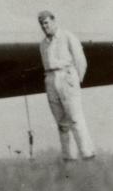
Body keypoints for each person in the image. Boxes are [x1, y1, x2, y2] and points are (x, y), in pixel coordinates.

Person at [37, 10, 95, 161]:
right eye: (42, 24)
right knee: (61, 122)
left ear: (54, 21)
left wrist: (76, 80)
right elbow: (45, 64)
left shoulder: (67, 37)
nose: (44, 26)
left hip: (67, 76)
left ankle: (88, 155)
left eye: (46, 23)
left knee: (75, 118)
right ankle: (69, 158)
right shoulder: (43, 44)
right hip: (51, 78)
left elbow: (80, 60)